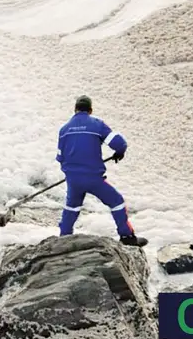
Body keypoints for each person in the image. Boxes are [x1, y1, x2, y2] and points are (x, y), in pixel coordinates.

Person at [55, 95, 147, 246]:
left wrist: (73, 173)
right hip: (93, 178)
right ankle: (127, 237)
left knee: (72, 207)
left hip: (73, 179)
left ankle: (64, 239)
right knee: (116, 201)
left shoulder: (64, 130)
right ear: (90, 110)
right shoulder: (96, 124)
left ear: (75, 109)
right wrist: (119, 152)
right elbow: (119, 143)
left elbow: (60, 157)